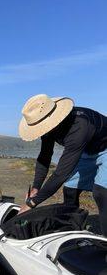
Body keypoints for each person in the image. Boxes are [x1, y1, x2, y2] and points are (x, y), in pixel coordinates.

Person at [18, 94, 107, 236]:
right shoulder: (48, 127)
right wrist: (36, 188)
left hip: (104, 148)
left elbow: (61, 174)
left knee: (101, 192)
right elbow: (45, 157)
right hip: (86, 149)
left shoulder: (79, 126)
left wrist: (32, 203)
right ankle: (72, 228)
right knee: (70, 189)